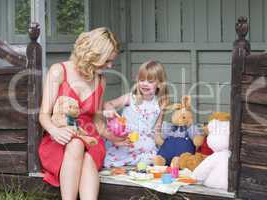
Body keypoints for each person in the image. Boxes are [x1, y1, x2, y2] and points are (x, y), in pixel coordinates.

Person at [38, 27, 126, 200]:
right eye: (107, 61)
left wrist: (113, 137)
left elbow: (97, 120)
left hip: (91, 138)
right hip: (60, 137)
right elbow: (43, 114)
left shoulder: (101, 80)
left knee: (87, 156)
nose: (110, 66)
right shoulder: (59, 71)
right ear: (93, 55)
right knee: (76, 144)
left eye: (111, 61)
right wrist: (55, 131)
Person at [103, 60, 170, 168]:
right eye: (142, 80)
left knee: (154, 155)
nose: (145, 84)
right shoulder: (130, 98)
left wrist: (167, 146)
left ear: (159, 84)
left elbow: (157, 131)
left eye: (150, 81)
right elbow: (108, 103)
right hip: (126, 140)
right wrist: (110, 110)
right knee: (110, 157)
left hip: (145, 145)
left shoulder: (160, 103)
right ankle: (126, 160)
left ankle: (141, 162)